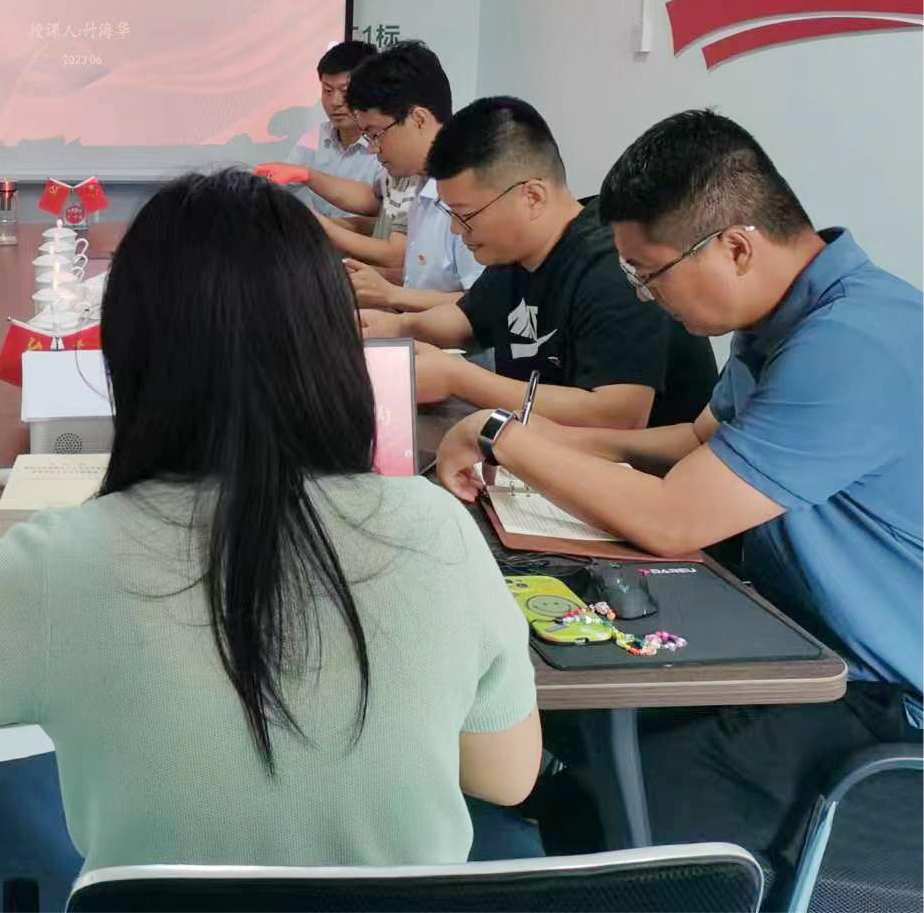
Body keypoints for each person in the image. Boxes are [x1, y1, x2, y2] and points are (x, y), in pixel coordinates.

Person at [0, 169, 541, 872]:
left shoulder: (60, 560)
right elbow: (505, 777)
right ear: (335, 346)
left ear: (129, 354)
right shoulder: (438, 529)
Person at [433, 110, 922, 874]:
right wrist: (532, 442)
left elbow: (673, 518)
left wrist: (501, 435)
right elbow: (695, 442)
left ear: (735, 247)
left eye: (649, 273)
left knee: (618, 797)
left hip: (884, 697)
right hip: (796, 637)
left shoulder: (851, 345)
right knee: (579, 735)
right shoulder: (786, 315)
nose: (645, 296)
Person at [362, 97, 717, 429]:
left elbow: (617, 414)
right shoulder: (513, 254)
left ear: (532, 197)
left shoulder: (616, 264)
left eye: (465, 215)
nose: (456, 229)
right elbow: (462, 321)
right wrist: (396, 327)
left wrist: (459, 379)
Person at [339, 44, 482, 313]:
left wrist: (391, 296)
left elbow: (486, 303)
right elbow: (426, 282)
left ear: (418, 119)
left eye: (375, 134)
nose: (373, 149)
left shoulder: (472, 192)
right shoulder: (421, 186)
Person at [255, 40, 412, 271]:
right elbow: (374, 199)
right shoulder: (314, 138)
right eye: (327, 91)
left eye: (345, 92)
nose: (335, 102)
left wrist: (320, 225)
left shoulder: (400, 156)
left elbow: (385, 232)